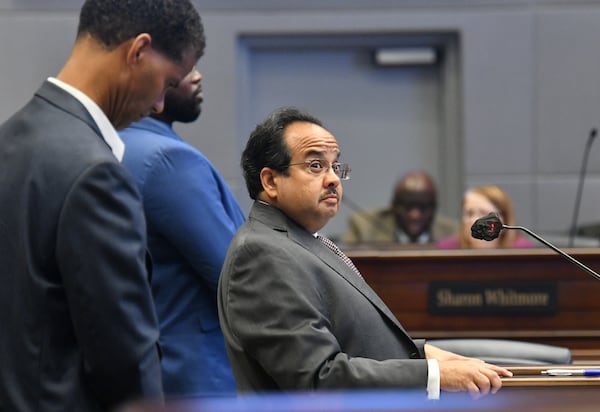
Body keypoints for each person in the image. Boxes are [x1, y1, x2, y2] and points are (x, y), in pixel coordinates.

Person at [217, 106, 512, 398]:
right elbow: (319, 378)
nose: (332, 179)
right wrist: (432, 374)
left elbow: (351, 340)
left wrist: (422, 353)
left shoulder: (298, 241)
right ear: (270, 182)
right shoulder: (262, 254)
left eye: (335, 166)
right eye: (316, 166)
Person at [0, 1, 205, 411]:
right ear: (138, 51)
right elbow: (126, 362)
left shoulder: (9, 139)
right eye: (167, 83)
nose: (160, 106)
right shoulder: (96, 174)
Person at [119, 63, 245, 395]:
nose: (198, 75)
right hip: (203, 377)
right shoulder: (167, 160)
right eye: (186, 66)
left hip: (152, 367)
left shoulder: (116, 144)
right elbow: (236, 278)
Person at [342, 171, 458, 245]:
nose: (415, 215)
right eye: (407, 206)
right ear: (393, 205)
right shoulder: (363, 227)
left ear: (434, 208)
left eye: (423, 207)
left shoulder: (453, 234)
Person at [436, 185, 535, 249]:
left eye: (484, 213)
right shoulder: (448, 249)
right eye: (469, 213)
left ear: (504, 219)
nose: (474, 220)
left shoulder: (522, 251)